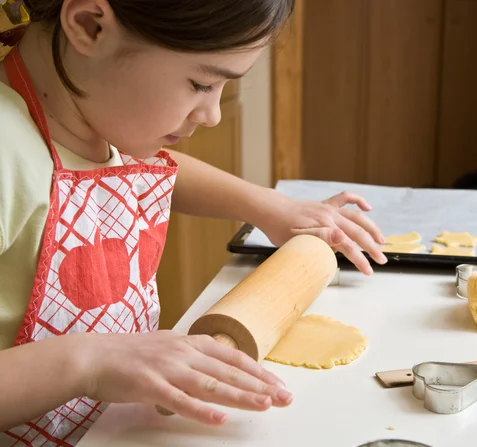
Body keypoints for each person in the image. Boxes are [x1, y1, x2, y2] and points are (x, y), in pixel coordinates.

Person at [0, 0, 388, 444]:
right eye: (201, 82)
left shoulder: (88, 113)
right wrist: (89, 362)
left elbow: (134, 168)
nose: (213, 114)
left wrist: (268, 206)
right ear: (89, 25)